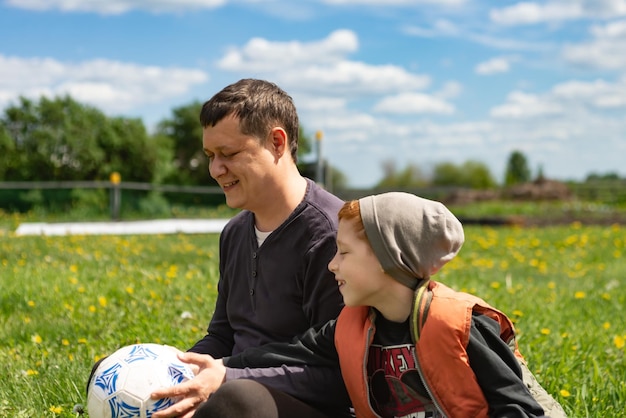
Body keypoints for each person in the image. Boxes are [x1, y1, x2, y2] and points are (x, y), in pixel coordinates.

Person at [177, 192, 566, 418]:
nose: (333, 264)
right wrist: (224, 366)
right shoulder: (351, 326)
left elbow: (519, 410)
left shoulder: (462, 326)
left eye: (343, 252)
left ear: (387, 260)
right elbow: (289, 350)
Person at [150, 79, 351, 418]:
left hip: (309, 406)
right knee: (115, 372)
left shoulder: (334, 236)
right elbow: (223, 334)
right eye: (211, 156)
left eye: (228, 154)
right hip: (232, 389)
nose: (216, 170)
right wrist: (176, 372)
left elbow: (340, 374)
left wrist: (229, 377)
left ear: (276, 142)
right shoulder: (234, 232)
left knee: (238, 402)